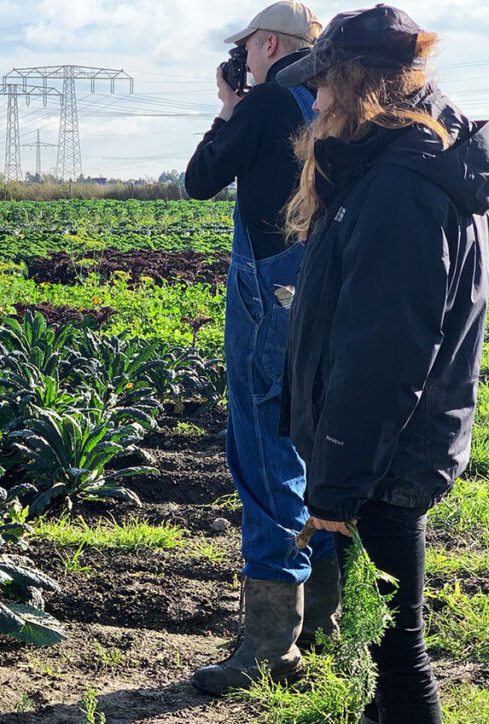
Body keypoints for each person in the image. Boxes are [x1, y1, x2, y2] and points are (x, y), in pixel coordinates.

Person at [277, 6, 489, 723]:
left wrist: (337, 488)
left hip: (382, 462)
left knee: (400, 661)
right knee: (386, 656)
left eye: (324, 85)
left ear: (356, 79)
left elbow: (384, 353)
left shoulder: (402, 186)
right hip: (385, 454)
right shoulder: (393, 167)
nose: (317, 101)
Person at [185, 1, 339, 696]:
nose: (241, 59)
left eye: (246, 48)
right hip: (328, 292)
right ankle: (321, 621)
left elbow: (198, 180)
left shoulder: (266, 101)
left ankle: (270, 642)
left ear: (268, 44)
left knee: (263, 451)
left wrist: (227, 106)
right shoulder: (334, 99)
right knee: (315, 443)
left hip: (267, 293)